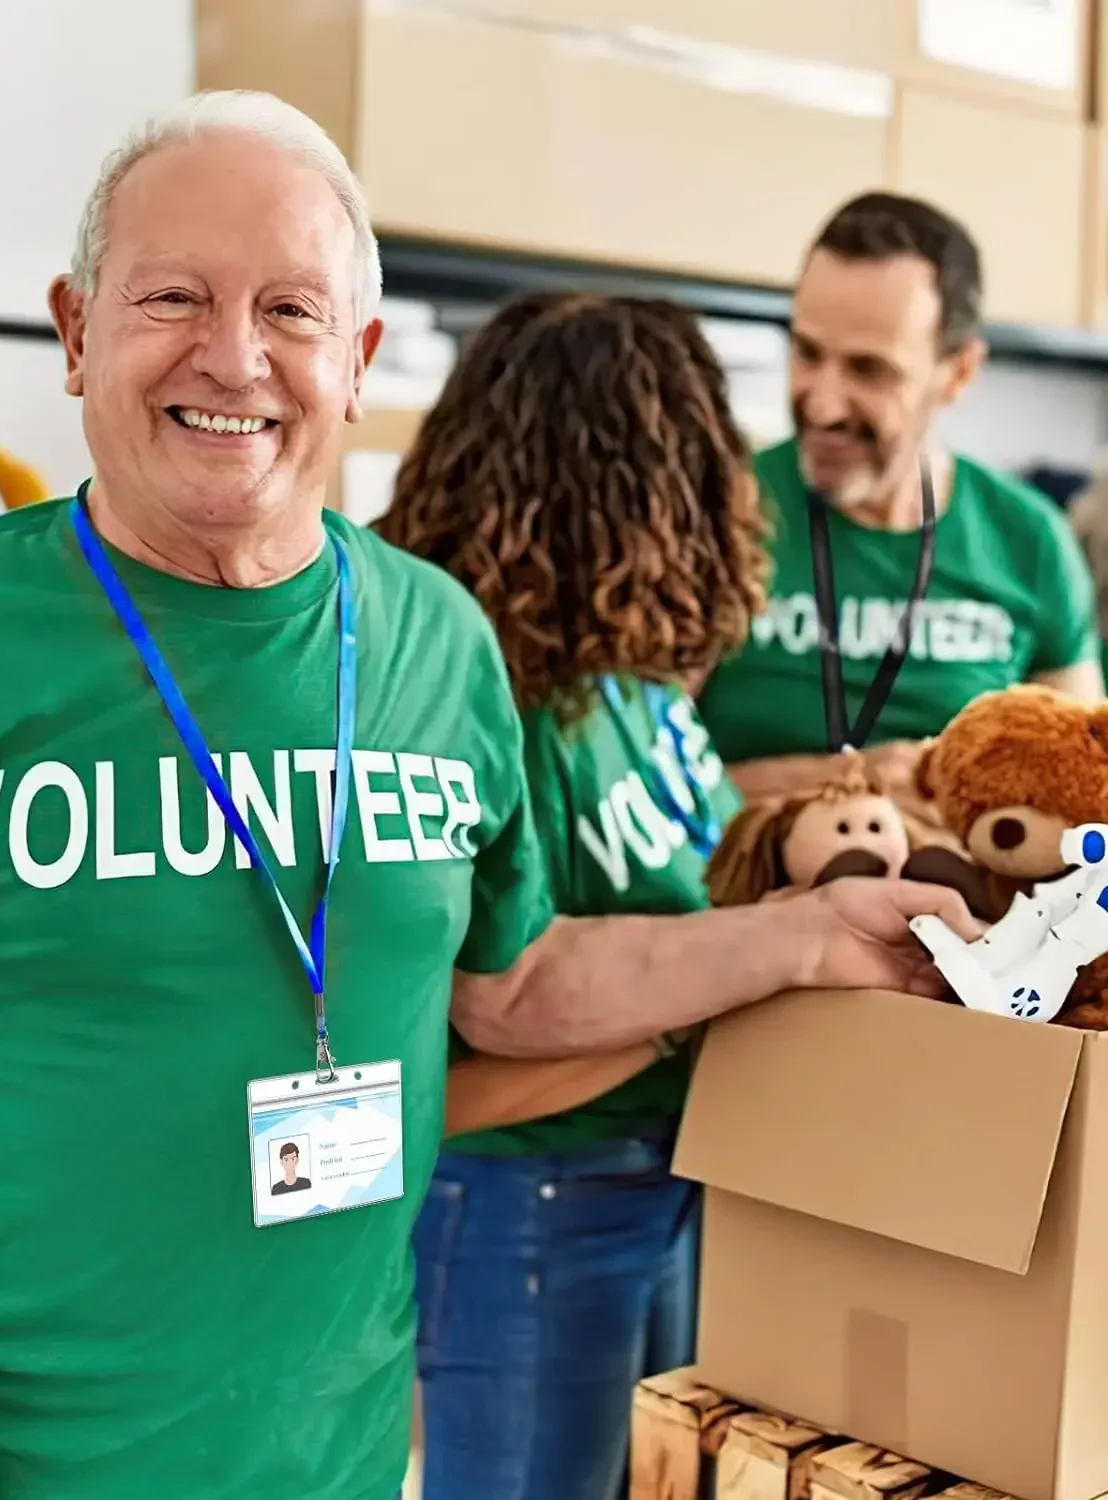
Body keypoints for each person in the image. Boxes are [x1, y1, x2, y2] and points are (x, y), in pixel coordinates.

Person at [0, 92, 977, 1500]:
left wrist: (808, 939)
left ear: (359, 357)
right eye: (171, 299)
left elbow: (509, 988)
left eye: (291, 309)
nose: (233, 357)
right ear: (76, 328)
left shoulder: (439, 644)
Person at [375, 291, 764, 1500]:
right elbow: (433, 1069)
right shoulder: (480, 706)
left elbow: (670, 881)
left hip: (663, 1184)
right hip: (527, 1207)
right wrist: (719, 992)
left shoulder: (632, 681)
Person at [695, 192, 1104, 816]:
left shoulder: (1032, 541)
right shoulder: (710, 514)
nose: (823, 403)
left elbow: (1079, 795)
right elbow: (632, 792)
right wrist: (846, 779)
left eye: (868, 370)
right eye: (806, 353)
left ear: (959, 372)